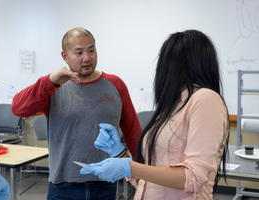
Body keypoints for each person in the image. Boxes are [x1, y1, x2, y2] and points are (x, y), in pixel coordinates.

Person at [80, 29, 230, 199]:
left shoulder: (205, 100)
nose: (158, 67)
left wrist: (128, 167)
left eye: (163, 60)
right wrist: (119, 153)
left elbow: (192, 178)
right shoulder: (171, 105)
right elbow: (148, 181)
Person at [11, 27, 142, 200]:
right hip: (63, 188)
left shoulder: (115, 84)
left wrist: (143, 175)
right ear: (65, 56)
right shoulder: (53, 87)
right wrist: (49, 81)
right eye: (79, 52)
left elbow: (133, 132)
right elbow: (18, 108)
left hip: (106, 186)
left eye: (91, 50)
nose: (87, 58)